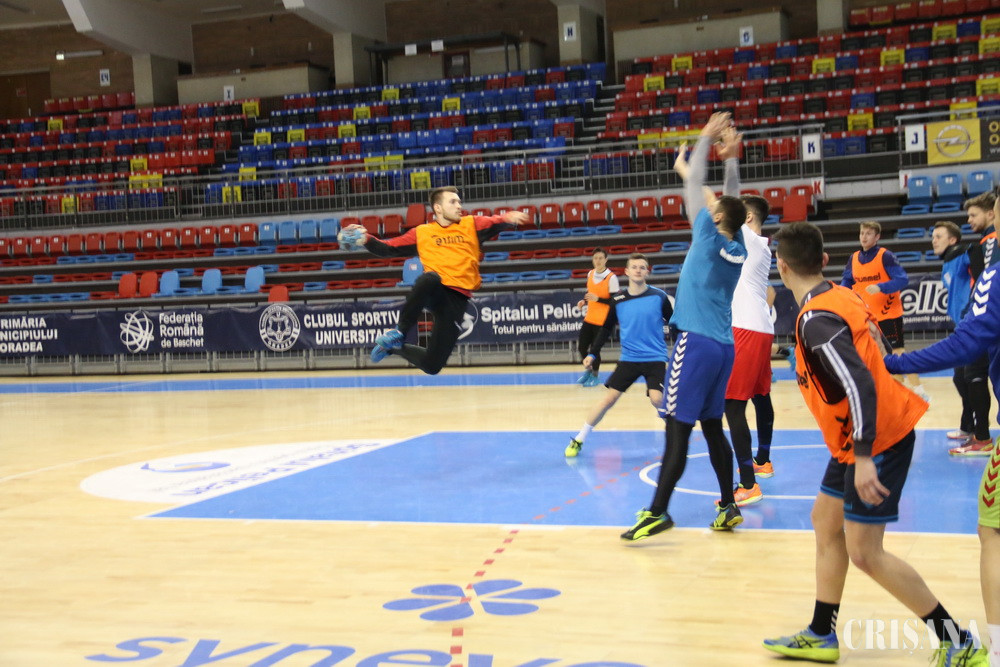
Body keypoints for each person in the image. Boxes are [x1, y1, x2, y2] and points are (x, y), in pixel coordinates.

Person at [762, 222, 988, 666]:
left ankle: (957, 641)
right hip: (858, 435)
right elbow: (879, 353)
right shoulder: (843, 295)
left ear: (782, 267)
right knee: (825, 522)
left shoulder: (815, 320)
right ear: (825, 261)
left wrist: (864, 456)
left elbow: (861, 384)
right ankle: (821, 633)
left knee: (866, 552)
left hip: (875, 437)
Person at [621, 112, 749, 541]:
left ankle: (658, 511)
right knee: (712, 427)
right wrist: (731, 160)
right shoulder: (738, 244)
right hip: (723, 348)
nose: (708, 206)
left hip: (694, 344)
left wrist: (705, 139)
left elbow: (695, 182)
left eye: (713, 209)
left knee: (676, 428)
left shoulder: (708, 235)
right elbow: (733, 202)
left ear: (716, 218)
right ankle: (728, 505)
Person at [341, 186, 528, 374]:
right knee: (429, 278)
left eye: (459, 202)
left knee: (432, 365)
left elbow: (496, 221)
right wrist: (366, 239)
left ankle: (392, 348)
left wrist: (509, 217)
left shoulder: (471, 224)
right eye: (453, 202)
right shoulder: (422, 233)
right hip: (436, 290)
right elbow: (388, 248)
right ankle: (399, 332)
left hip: (457, 300)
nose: (459, 206)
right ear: (438, 208)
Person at [565, 253, 672, 458]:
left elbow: (674, 323)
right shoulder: (618, 300)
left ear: (647, 271)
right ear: (627, 271)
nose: (638, 270)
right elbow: (605, 329)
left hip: (655, 357)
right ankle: (579, 438)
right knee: (609, 399)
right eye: (634, 267)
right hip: (629, 359)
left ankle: (675, 433)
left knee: (657, 398)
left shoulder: (659, 297)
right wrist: (593, 354)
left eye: (642, 267)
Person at [718, 126, 774, 504]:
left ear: (748, 217)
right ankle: (764, 460)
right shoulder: (759, 247)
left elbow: (729, 198)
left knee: (732, 405)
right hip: (760, 326)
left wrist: (731, 160)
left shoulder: (750, 239)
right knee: (759, 395)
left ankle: (748, 482)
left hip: (746, 328)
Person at [841, 220, 929, 402]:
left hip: (888, 315)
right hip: (866, 316)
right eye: (862, 233)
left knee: (898, 353)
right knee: (875, 357)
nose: (864, 237)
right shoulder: (854, 258)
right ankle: (897, 394)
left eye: (868, 233)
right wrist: (841, 295)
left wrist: (881, 287)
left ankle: (919, 392)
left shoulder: (885, 256)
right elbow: (846, 282)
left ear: (877, 237)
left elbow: (902, 280)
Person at [932, 220, 992, 455]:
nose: (934, 240)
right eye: (933, 236)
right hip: (961, 327)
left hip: (973, 325)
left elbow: (981, 277)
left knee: (970, 377)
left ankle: (980, 433)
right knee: (960, 378)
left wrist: (972, 312)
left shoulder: (967, 252)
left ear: (953, 240)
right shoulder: (947, 262)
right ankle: (967, 426)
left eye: (939, 236)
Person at [947, 191, 1000, 455]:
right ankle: (976, 432)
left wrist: (974, 317)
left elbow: (987, 282)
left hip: (984, 323)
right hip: (982, 321)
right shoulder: (982, 243)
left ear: (991, 214)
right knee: (966, 375)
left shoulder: (991, 242)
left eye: (973, 215)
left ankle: (982, 437)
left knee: (972, 375)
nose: (969, 220)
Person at [575, 247, 620, 387]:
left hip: (603, 320)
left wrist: (598, 299)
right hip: (590, 317)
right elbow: (591, 293)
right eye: (595, 258)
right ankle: (588, 371)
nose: (598, 261)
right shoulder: (590, 274)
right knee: (582, 347)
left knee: (595, 349)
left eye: (601, 258)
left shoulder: (611, 278)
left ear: (606, 260)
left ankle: (595, 376)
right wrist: (584, 301)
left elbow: (615, 301)